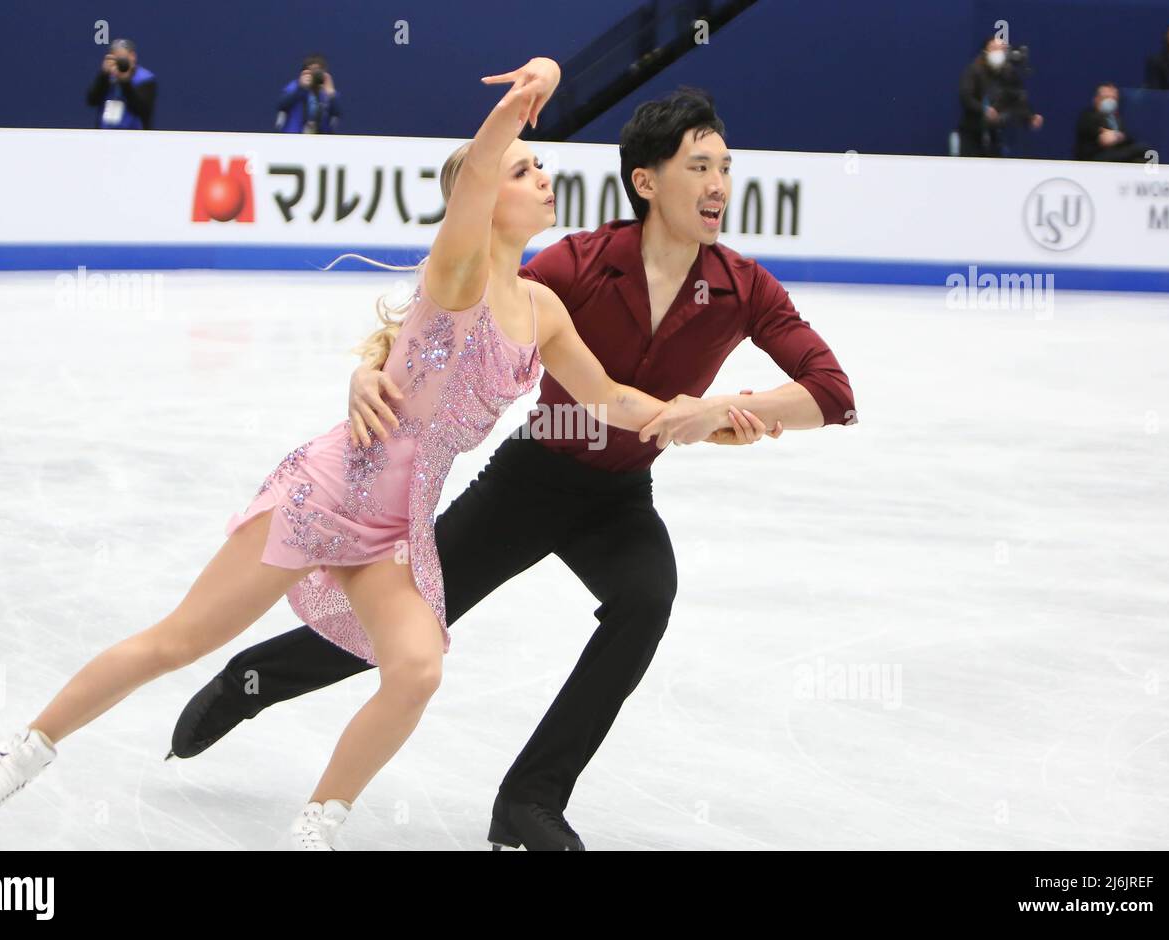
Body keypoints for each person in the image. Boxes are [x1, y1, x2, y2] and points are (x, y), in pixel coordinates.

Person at [0, 57, 738, 850]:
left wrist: (696, 414)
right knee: (178, 641)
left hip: (395, 528)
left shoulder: (544, 309)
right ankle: (18, 754)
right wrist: (527, 99)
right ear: (490, 197)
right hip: (326, 495)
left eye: (540, 167)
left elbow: (610, 398)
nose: (542, 178)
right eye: (525, 170)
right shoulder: (455, 276)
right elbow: (473, 180)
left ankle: (317, 826)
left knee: (417, 668)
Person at [169, 86, 857, 850]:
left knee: (645, 599)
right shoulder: (579, 264)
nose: (720, 185)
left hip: (621, 498)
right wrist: (367, 375)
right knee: (415, 623)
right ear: (647, 182)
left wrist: (722, 407)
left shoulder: (742, 286)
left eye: (725, 167)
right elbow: (440, 317)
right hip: (531, 479)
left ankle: (528, 802)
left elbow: (832, 394)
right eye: (700, 167)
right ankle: (251, 680)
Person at [957, 36, 1044, 157]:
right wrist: (983, 109)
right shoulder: (974, 70)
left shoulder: (1008, 73)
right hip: (972, 132)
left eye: (1001, 49)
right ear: (985, 51)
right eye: (994, 48)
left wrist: (1030, 117)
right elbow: (966, 97)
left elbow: (1017, 99)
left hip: (996, 134)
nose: (998, 52)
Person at [86, 38, 157, 130]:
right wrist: (103, 75)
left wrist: (125, 82)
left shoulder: (145, 79)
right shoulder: (107, 77)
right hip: (105, 134)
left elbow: (142, 109)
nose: (120, 63)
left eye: (123, 59)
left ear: (133, 57)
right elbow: (92, 100)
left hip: (135, 136)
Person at [1074, 83, 1153, 162]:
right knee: (1142, 149)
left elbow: (1126, 138)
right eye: (1106, 97)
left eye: (1113, 98)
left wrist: (1117, 136)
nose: (1110, 101)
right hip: (1095, 158)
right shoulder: (1089, 116)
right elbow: (1101, 136)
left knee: (1141, 160)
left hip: (1116, 155)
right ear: (1096, 99)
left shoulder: (1116, 118)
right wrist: (1107, 135)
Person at [276, 53, 342, 134]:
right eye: (311, 71)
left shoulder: (327, 90)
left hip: (321, 138)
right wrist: (301, 88)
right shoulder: (295, 86)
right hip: (295, 136)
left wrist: (331, 94)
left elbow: (337, 113)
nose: (314, 74)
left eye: (317, 71)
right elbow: (281, 105)